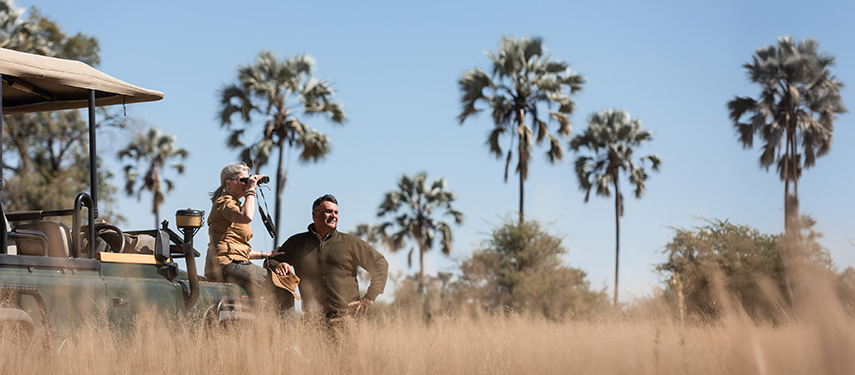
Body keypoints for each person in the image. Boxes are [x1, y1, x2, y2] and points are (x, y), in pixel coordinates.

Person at [269, 194, 388, 321]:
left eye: (336, 212)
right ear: (315, 215)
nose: (334, 216)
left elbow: (380, 263)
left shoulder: (350, 243)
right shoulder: (297, 242)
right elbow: (271, 260)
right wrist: (277, 265)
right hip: (311, 321)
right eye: (328, 212)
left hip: (346, 319)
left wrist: (370, 297)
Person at [205, 162, 293, 310]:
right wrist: (251, 189)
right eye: (243, 180)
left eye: (248, 180)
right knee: (284, 285)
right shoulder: (224, 202)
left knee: (258, 300)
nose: (246, 183)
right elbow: (246, 216)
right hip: (227, 265)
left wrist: (267, 254)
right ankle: (288, 332)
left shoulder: (232, 204)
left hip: (227, 264)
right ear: (228, 183)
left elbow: (236, 249)